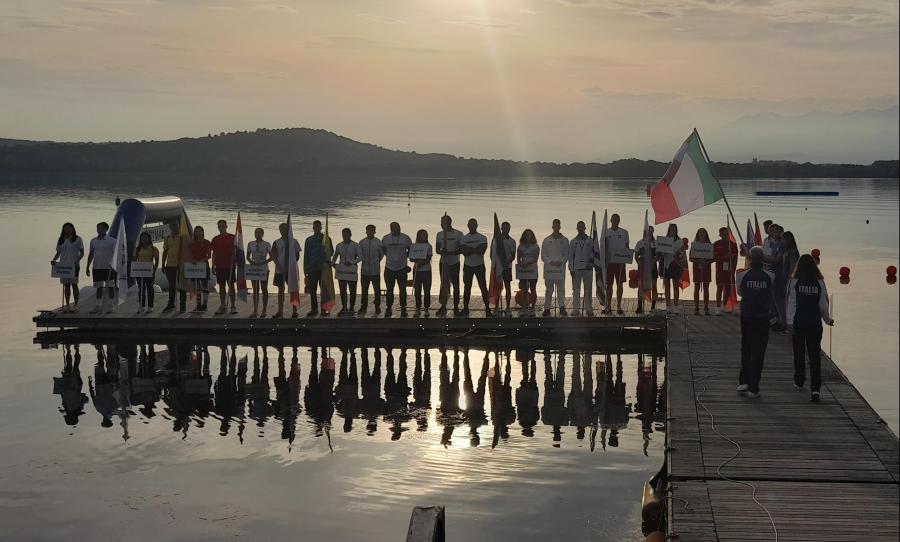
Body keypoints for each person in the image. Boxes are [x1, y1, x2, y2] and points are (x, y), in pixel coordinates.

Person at [787, 254, 834, 402]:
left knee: (799, 353)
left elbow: (791, 303)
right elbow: (823, 304)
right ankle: (815, 390)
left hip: (799, 322)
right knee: (815, 356)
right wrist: (827, 320)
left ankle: (799, 381)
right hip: (814, 323)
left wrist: (789, 322)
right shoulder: (819, 282)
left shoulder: (794, 282)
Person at [736, 246, 776, 399]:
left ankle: (743, 381)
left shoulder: (741, 275)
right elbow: (770, 290)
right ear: (763, 258)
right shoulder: (770, 275)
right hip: (762, 317)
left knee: (746, 347)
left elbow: (740, 292)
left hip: (746, 316)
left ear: (750, 258)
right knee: (759, 351)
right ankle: (754, 387)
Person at [270, 222, 301, 319]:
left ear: (288, 230)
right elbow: (274, 256)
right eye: (281, 229)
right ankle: (280, 311)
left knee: (294, 290)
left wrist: (290, 266)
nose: (283, 231)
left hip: (291, 270)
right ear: (279, 230)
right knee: (280, 290)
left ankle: (295, 311)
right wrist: (280, 267)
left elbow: (297, 255)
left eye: (285, 229)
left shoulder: (294, 241)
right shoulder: (276, 242)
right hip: (280, 270)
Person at [51, 222, 84, 313]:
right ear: (63, 229)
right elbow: (58, 253)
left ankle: (76, 304)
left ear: (73, 229)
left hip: (74, 266)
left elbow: (82, 253)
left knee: (74, 284)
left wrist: (77, 260)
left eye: (69, 228)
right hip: (64, 266)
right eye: (65, 228)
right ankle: (67, 305)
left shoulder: (78, 239)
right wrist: (54, 260)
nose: (68, 230)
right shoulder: (61, 239)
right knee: (66, 286)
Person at [460, 218, 490, 317]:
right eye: (470, 224)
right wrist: (475, 249)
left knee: (483, 287)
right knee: (467, 287)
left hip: (479, 266)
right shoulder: (464, 238)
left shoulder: (483, 237)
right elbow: (465, 253)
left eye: (474, 224)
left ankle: (488, 308)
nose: (472, 226)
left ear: (477, 225)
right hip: (468, 266)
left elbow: (482, 251)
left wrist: (470, 249)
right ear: (468, 225)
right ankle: (465, 308)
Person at [86, 222, 117, 314]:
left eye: (101, 228)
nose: (98, 229)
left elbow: (116, 255)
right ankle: (98, 305)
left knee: (111, 287)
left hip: (109, 268)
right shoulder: (93, 241)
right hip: (96, 268)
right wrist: (87, 266)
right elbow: (91, 254)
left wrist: (114, 265)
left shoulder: (112, 241)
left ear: (106, 229)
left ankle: (111, 305)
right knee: (99, 287)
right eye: (97, 228)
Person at [382, 222, 412, 318]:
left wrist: (404, 257)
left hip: (402, 268)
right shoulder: (385, 238)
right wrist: (390, 257)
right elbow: (383, 250)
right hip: (389, 268)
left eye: (397, 227)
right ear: (390, 228)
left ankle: (403, 308)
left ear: (400, 227)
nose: (396, 229)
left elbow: (410, 250)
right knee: (389, 289)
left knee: (402, 289)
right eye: (394, 228)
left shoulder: (406, 238)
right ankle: (389, 307)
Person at [435, 215, 463, 316]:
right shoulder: (439, 234)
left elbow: (461, 249)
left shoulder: (458, 234)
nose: (442, 224)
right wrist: (442, 251)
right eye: (441, 222)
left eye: (444, 222)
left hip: (454, 263)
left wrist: (452, 252)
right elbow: (437, 249)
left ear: (450, 222)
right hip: (443, 263)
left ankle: (456, 307)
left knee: (456, 285)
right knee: (444, 285)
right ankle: (443, 306)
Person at [541, 219, 569, 317]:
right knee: (549, 290)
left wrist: (560, 262)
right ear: (552, 227)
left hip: (560, 270)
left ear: (560, 227)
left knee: (561, 290)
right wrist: (550, 262)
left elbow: (567, 254)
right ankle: (547, 308)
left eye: (558, 226)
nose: (556, 227)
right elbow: (543, 255)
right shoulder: (546, 240)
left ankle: (562, 308)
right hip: (549, 270)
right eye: (554, 226)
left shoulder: (565, 240)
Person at [604, 213, 629, 314]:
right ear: (611, 220)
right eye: (614, 220)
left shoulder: (624, 232)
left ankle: (619, 305)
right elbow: (604, 248)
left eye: (617, 220)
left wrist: (626, 259)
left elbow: (627, 247)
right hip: (609, 263)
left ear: (619, 221)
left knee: (620, 285)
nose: (615, 221)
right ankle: (608, 305)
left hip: (620, 263)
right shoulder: (606, 232)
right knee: (609, 285)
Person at [489, 221, 516, 315]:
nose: (506, 229)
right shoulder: (495, 240)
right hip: (497, 267)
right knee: (497, 287)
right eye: (504, 228)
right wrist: (495, 263)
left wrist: (505, 262)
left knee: (507, 286)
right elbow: (491, 253)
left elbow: (513, 255)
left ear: (509, 229)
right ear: (501, 228)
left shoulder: (512, 241)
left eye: (507, 228)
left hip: (507, 267)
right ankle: (496, 306)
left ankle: (508, 306)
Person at [210, 219, 237, 315]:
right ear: (218, 227)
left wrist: (236, 261)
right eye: (219, 226)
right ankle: (223, 305)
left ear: (226, 226)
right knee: (221, 286)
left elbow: (237, 251)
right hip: (219, 266)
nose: (221, 228)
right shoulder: (215, 239)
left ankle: (233, 306)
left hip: (230, 265)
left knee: (231, 286)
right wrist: (213, 265)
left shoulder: (233, 237)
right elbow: (214, 253)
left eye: (223, 226)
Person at [568, 220, 594, 316]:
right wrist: (571, 269)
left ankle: (588, 308)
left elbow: (594, 254)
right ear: (577, 228)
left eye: (582, 227)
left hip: (588, 268)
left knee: (588, 289)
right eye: (579, 227)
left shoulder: (590, 240)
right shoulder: (573, 241)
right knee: (576, 289)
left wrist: (591, 264)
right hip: (576, 269)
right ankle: (576, 309)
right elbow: (570, 256)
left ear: (585, 228)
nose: (580, 228)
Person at [332, 227, 361, 315]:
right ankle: (344, 306)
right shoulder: (339, 245)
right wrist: (333, 263)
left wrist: (352, 262)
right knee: (342, 290)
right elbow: (335, 256)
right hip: (342, 271)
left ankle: (351, 306)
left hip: (351, 271)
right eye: (343, 235)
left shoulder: (356, 245)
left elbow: (360, 257)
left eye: (347, 235)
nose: (345, 237)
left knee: (352, 290)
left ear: (350, 235)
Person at [161, 222, 187, 313]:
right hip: (170, 265)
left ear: (179, 226)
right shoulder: (167, 238)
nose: (174, 227)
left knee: (182, 285)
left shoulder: (182, 238)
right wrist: (163, 264)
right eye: (173, 225)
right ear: (170, 227)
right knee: (171, 285)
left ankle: (183, 304)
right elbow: (165, 252)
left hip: (180, 265)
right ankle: (171, 303)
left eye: (176, 225)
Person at [358, 224, 383, 315]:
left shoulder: (378, 242)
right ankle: (363, 306)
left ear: (374, 232)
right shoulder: (361, 242)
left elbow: (381, 255)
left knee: (377, 290)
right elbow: (359, 255)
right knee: (364, 290)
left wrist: (376, 262)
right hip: (364, 271)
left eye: (371, 230)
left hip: (375, 271)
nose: (369, 232)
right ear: (366, 231)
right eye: (368, 230)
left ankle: (377, 306)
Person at [246, 227, 272, 317]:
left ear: (262, 234)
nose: (257, 234)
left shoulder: (267, 244)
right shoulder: (250, 244)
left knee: (264, 288)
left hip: (263, 268)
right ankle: (255, 310)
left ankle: (264, 310)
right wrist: (251, 262)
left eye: (259, 233)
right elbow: (248, 256)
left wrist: (263, 262)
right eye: (256, 232)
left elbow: (272, 257)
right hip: (253, 269)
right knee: (255, 289)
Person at [712, 226, 738, 315]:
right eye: (723, 234)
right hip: (720, 269)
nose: (725, 235)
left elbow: (735, 258)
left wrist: (733, 269)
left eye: (726, 233)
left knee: (727, 288)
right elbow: (713, 258)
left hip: (729, 269)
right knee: (719, 288)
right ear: (720, 234)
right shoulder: (716, 244)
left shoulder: (733, 245)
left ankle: (724, 306)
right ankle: (718, 307)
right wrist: (725, 257)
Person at [304, 220, 327, 317]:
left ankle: (324, 309)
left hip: (323, 269)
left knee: (324, 290)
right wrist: (305, 269)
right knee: (312, 290)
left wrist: (327, 265)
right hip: (312, 268)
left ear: (321, 228)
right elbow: (306, 255)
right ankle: (314, 309)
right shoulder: (309, 240)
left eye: (318, 226)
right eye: (315, 227)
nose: (317, 228)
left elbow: (331, 251)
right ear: (313, 228)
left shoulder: (326, 238)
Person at [661, 223, 685, 311]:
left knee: (675, 286)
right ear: (668, 230)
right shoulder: (664, 240)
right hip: (667, 264)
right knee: (667, 286)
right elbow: (661, 253)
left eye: (674, 229)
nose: (672, 231)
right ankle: (667, 306)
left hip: (676, 265)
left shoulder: (680, 241)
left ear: (676, 230)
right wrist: (662, 252)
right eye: (671, 229)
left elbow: (682, 255)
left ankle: (675, 306)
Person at [133, 231, 159, 313]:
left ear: (149, 239)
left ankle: (150, 306)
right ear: (140, 239)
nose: (144, 239)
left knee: (150, 289)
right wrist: (134, 270)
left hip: (149, 271)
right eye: (142, 238)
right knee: (141, 289)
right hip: (139, 271)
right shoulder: (137, 249)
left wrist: (154, 269)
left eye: (146, 237)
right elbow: (134, 260)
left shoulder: (153, 248)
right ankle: (141, 306)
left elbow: (157, 260)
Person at [188, 225, 212, 312]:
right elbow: (189, 255)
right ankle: (198, 305)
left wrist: (201, 261)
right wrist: (192, 260)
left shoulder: (207, 242)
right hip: (194, 266)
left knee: (205, 285)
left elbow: (209, 256)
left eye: (199, 231)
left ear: (202, 232)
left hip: (204, 265)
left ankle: (204, 305)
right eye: (196, 231)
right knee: (196, 286)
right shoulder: (191, 243)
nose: (197, 232)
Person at [634, 225, 657, 314]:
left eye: (652, 231)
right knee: (640, 287)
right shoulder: (640, 243)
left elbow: (658, 255)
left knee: (654, 287)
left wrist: (653, 262)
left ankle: (653, 307)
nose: (650, 233)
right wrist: (640, 265)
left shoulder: (656, 243)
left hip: (652, 267)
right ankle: (639, 306)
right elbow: (636, 256)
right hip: (642, 267)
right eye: (648, 231)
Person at [690, 228, 713, 315]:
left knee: (706, 288)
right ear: (697, 234)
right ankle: (696, 308)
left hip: (707, 268)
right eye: (700, 232)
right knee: (696, 287)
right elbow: (690, 258)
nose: (702, 234)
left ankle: (706, 308)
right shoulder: (694, 245)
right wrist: (698, 261)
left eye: (703, 232)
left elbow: (713, 257)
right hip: (697, 268)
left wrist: (706, 262)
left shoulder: (709, 245)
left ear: (706, 234)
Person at [411, 229, 433, 315]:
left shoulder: (429, 246)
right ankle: (418, 308)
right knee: (417, 290)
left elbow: (428, 258)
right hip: (417, 271)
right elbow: (411, 258)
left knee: (427, 290)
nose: (425, 236)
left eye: (426, 235)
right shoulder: (415, 246)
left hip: (426, 271)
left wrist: (421, 263)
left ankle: (426, 308)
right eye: (423, 235)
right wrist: (416, 261)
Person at [516, 229, 540, 313]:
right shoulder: (520, 246)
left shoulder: (536, 246)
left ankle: (533, 307)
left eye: (530, 235)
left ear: (532, 236)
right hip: (523, 269)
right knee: (525, 289)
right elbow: (518, 259)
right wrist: (521, 263)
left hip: (532, 269)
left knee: (533, 288)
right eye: (526, 235)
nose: (528, 236)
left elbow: (536, 258)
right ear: (523, 236)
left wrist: (529, 263)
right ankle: (525, 306)